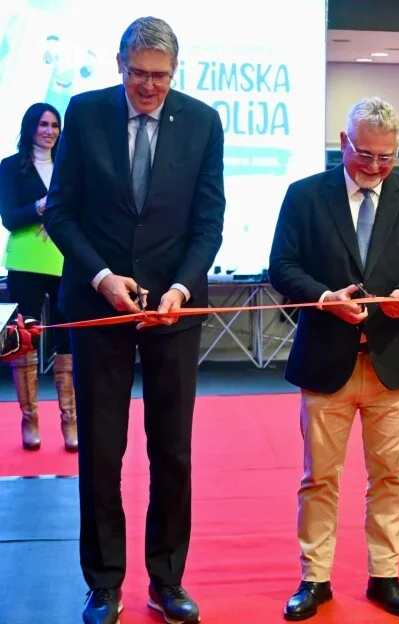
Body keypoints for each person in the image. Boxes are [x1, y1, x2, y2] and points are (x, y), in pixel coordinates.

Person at [42, 17, 225, 624]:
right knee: (101, 450)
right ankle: (103, 584)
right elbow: (61, 214)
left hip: (174, 308)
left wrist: (180, 288)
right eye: (139, 74)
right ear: (119, 64)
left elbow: (208, 223)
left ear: (176, 71)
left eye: (161, 76)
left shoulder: (203, 121)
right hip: (99, 305)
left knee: (172, 449)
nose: (149, 87)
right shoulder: (85, 112)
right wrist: (101, 277)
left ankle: (167, 580)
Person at [269, 96, 399, 621]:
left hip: (393, 360)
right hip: (327, 359)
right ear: (344, 142)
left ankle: (385, 575)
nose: (375, 166)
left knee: (390, 477)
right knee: (319, 478)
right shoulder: (305, 195)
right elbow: (282, 266)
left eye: (386, 157)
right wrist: (324, 298)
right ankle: (314, 579)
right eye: (365, 154)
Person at [0, 102, 76, 452]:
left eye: (55, 125)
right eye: (43, 124)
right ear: (30, 127)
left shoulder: (68, 165)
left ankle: (69, 421)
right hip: (26, 263)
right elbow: (10, 218)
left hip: (65, 262)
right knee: (24, 342)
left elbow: (80, 210)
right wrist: (42, 207)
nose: (49, 131)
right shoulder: (10, 166)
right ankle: (29, 419)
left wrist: (58, 218)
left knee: (67, 343)